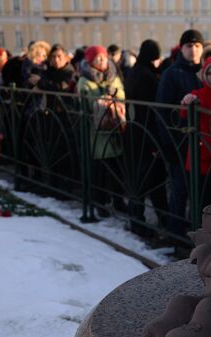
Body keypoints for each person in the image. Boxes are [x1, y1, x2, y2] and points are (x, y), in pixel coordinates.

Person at [155, 29, 204, 238]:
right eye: (189, 46)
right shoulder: (172, 74)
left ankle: (197, 230)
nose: (193, 50)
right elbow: (162, 110)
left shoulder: (208, 72)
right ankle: (175, 232)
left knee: (200, 190)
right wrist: (168, 144)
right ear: (181, 48)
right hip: (180, 142)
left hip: (204, 143)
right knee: (180, 189)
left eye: (197, 46)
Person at [124, 39, 169, 238]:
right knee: (151, 178)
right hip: (146, 134)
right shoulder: (148, 76)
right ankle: (153, 221)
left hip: (134, 131)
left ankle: (138, 219)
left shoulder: (135, 72)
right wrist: (155, 141)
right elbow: (151, 110)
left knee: (140, 179)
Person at [77, 45, 126, 218]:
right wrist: (100, 100)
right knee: (101, 170)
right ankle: (100, 203)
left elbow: (122, 96)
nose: (101, 61)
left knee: (117, 167)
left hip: (113, 128)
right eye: (97, 58)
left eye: (103, 57)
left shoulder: (113, 77)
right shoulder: (84, 80)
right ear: (90, 60)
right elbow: (84, 103)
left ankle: (119, 200)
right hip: (96, 131)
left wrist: (114, 99)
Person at [181, 56, 211, 209]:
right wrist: (188, 101)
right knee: (201, 204)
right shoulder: (198, 94)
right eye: (209, 74)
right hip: (201, 160)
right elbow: (183, 114)